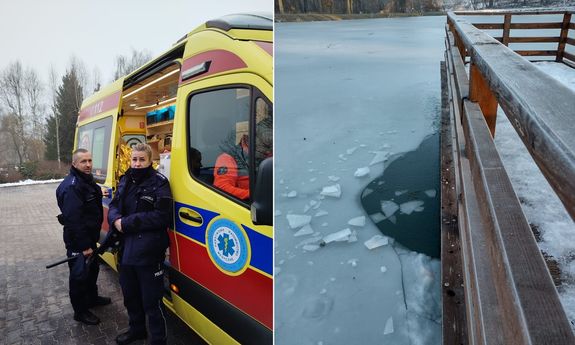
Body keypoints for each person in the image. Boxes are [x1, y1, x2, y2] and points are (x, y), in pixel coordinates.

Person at [108, 143, 173, 345]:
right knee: (130, 297)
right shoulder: (125, 180)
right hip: (127, 250)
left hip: (149, 252)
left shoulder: (160, 183)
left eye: (141, 160)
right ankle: (137, 330)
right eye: (134, 159)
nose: (136, 164)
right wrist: (115, 219)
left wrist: (125, 223)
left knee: (152, 302)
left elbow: (162, 217)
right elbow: (113, 206)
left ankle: (158, 340)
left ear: (150, 161)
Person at [55, 148, 111, 325]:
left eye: (89, 160)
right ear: (74, 164)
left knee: (92, 270)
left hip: (89, 238)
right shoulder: (72, 186)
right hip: (78, 242)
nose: (88, 164)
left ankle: (92, 298)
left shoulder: (85, 180)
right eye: (83, 162)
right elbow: (74, 221)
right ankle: (80, 311)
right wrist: (85, 246)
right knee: (79, 276)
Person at [213, 133, 250, 200]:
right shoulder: (226, 158)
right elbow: (222, 187)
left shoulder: (261, 157)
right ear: (244, 142)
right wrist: (252, 195)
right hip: (243, 204)